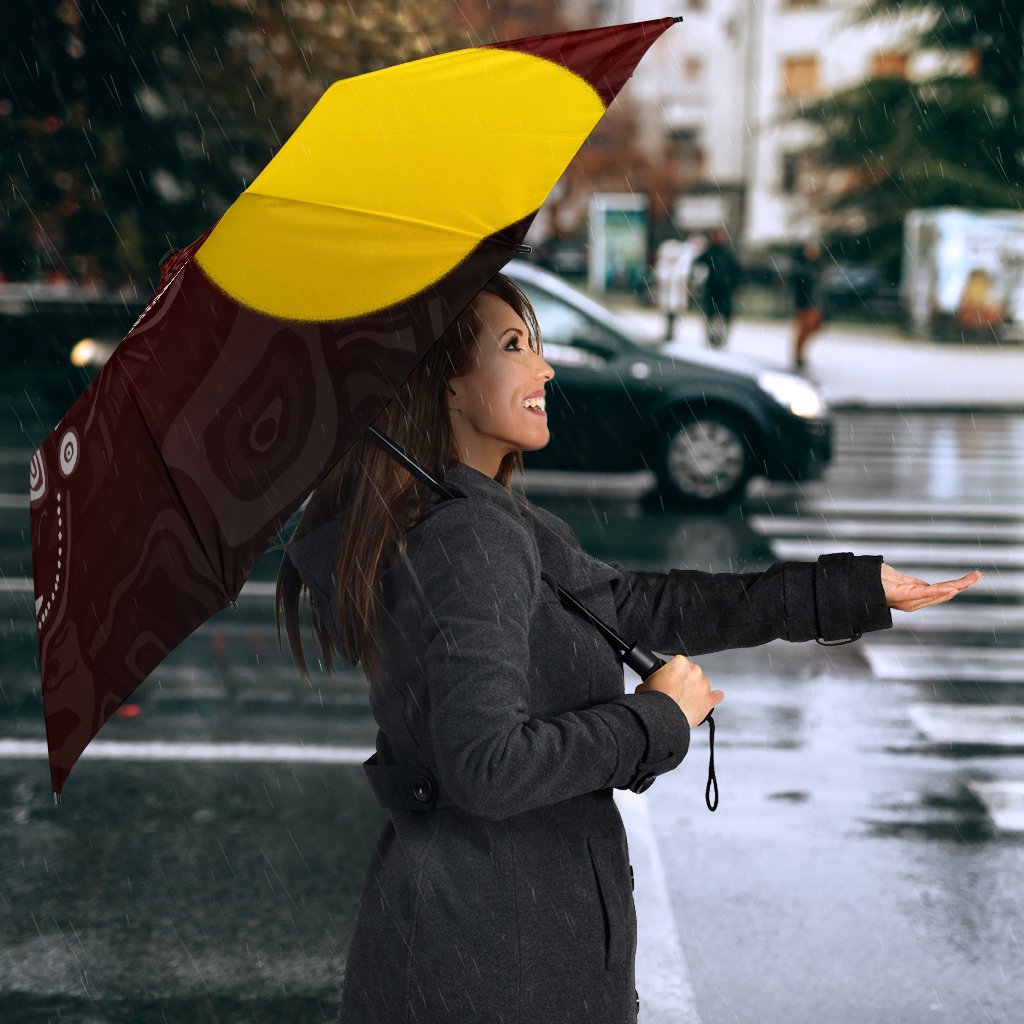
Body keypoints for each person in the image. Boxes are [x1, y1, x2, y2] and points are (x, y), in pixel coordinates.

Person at [276, 273, 982, 1024]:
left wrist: (848, 590)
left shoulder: (485, 521)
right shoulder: (470, 537)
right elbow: (486, 767)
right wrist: (654, 719)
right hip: (496, 961)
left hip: (485, 942)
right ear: (445, 387)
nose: (544, 368)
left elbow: (645, 605)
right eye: (514, 347)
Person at [691, 227, 742, 349]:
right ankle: (711, 336)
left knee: (722, 314)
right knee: (711, 313)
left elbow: (736, 270)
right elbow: (698, 264)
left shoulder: (726, 252)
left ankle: (720, 337)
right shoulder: (710, 251)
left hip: (724, 289)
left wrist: (736, 285)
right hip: (713, 288)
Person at [790, 241, 824, 370]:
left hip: (814, 302)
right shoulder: (800, 266)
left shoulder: (814, 266)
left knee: (814, 326)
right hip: (805, 302)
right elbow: (799, 284)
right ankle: (798, 355)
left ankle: (800, 354)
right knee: (804, 329)